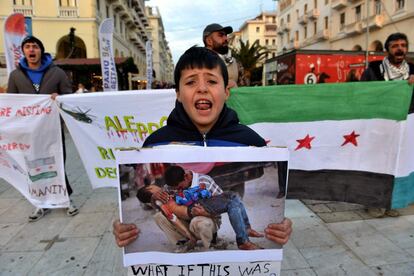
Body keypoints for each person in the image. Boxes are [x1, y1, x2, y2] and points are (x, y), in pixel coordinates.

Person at [113, 46, 292, 251]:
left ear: (226, 91)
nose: (202, 88)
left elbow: (280, 217)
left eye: (212, 81)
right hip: (190, 227)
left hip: (213, 222)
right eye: (191, 82)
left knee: (233, 198)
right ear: (178, 93)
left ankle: (243, 234)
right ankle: (235, 237)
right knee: (229, 200)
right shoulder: (156, 143)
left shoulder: (251, 141)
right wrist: (124, 229)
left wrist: (283, 226)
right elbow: (152, 207)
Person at [7, 35, 79, 221]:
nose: (31, 50)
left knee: (57, 163)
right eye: (28, 47)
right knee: (33, 166)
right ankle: (40, 203)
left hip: (52, 129)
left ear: (41, 50)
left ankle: (65, 199)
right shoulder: (15, 76)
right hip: (28, 132)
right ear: (23, 51)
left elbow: (68, 96)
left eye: (35, 47)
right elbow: (12, 102)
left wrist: (59, 98)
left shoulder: (57, 73)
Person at [361, 32, 414, 218]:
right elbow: (363, 96)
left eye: (403, 45)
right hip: (380, 127)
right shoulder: (374, 71)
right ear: (387, 50)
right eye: (395, 45)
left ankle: (392, 202)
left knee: (398, 165)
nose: (400, 48)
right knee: (377, 165)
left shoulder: (413, 71)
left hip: (405, 128)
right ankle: (373, 202)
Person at [162, 165, 264, 250]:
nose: (179, 190)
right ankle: (244, 238)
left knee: (233, 197)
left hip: (204, 212)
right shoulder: (171, 187)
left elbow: (219, 201)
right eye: (176, 189)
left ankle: (245, 233)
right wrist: (154, 196)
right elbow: (158, 194)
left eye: (180, 187)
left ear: (186, 177)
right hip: (188, 214)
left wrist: (205, 213)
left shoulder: (204, 181)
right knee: (232, 201)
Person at [203, 23, 242, 88]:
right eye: (220, 35)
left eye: (225, 35)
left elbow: (244, 90)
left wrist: (235, 86)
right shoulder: (197, 63)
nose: (226, 38)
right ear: (209, 41)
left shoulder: (235, 62)